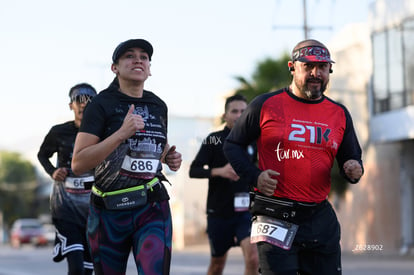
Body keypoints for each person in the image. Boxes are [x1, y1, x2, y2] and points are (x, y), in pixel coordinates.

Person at [223, 39, 364, 275]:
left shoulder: (339, 114)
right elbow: (232, 145)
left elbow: (352, 158)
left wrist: (354, 168)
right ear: (292, 66)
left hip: (319, 217)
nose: (315, 73)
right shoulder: (265, 105)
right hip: (274, 213)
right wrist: (255, 176)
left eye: (322, 67)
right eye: (308, 66)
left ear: (330, 70)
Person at [71, 38, 182, 275]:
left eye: (144, 57)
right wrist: (121, 133)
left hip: (151, 206)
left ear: (149, 69)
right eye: (130, 56)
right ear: (115, 68)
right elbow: (79, 163)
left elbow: (155, 146)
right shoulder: (100, 104)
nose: (138, 60)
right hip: (108, 210)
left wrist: (168, 157)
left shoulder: (158, 105)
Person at [189, 94, 260, 275]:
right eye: (234, 111)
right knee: (217, 265)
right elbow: (194, 170)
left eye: (243, 111)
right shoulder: (214, 139)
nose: (238, 115)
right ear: (225, 115)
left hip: (245, 213)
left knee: (253, 258)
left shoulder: (255, 140)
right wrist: (220, 171)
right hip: (218, 213)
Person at [37, 83, 97, 275]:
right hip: (65, 207)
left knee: (89, 270)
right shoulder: (58, 132)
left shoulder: (104, 132)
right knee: (77, 268)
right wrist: (53, 172)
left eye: (88, 101)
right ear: (71, 105)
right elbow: (42, 155)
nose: (83, 104)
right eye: (78, 100)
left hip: (94, 209)